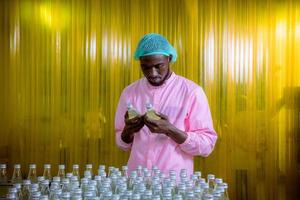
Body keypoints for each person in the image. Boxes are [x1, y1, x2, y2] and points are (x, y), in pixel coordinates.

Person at [115, 33, 217, 178]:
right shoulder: (130, 93)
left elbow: (207, 145)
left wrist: (171, 130)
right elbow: (121, 143)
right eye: (145, 67)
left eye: (159, 66)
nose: (152, 73)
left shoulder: (191, 92)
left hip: (174, 184)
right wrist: (128, 131)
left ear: (169, 59)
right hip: (137, 182)